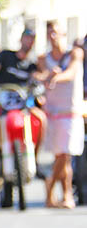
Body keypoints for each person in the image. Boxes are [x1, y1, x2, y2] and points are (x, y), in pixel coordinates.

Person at [38, 21, 84, 209]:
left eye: (56, 33)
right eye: (50, 33)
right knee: (62, 157)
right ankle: (65, 195)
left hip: (70, 111)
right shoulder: (43, 58)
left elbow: (72, 73)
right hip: (52, 113)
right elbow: (39, 75)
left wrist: (55, 77)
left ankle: (50, 188)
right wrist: (46, 76)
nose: (53, 37)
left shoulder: (75, 53)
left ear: (64, 34)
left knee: (65, 154)